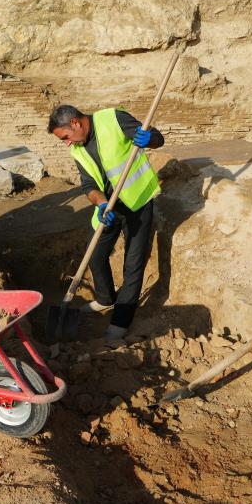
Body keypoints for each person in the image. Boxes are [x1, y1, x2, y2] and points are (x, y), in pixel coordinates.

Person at [47, 104, 163, 340]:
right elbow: (89, 185)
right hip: (108, 207)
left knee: (133, 263)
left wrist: (149, 138)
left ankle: (121, 321)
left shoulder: (113, 119)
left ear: (76, 123)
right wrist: (100, 203)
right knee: (96, 254)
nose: (67, 143)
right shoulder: (77, 150)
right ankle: (105, 298)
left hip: (137, 201)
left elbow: (158, 139)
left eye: (66, 137)